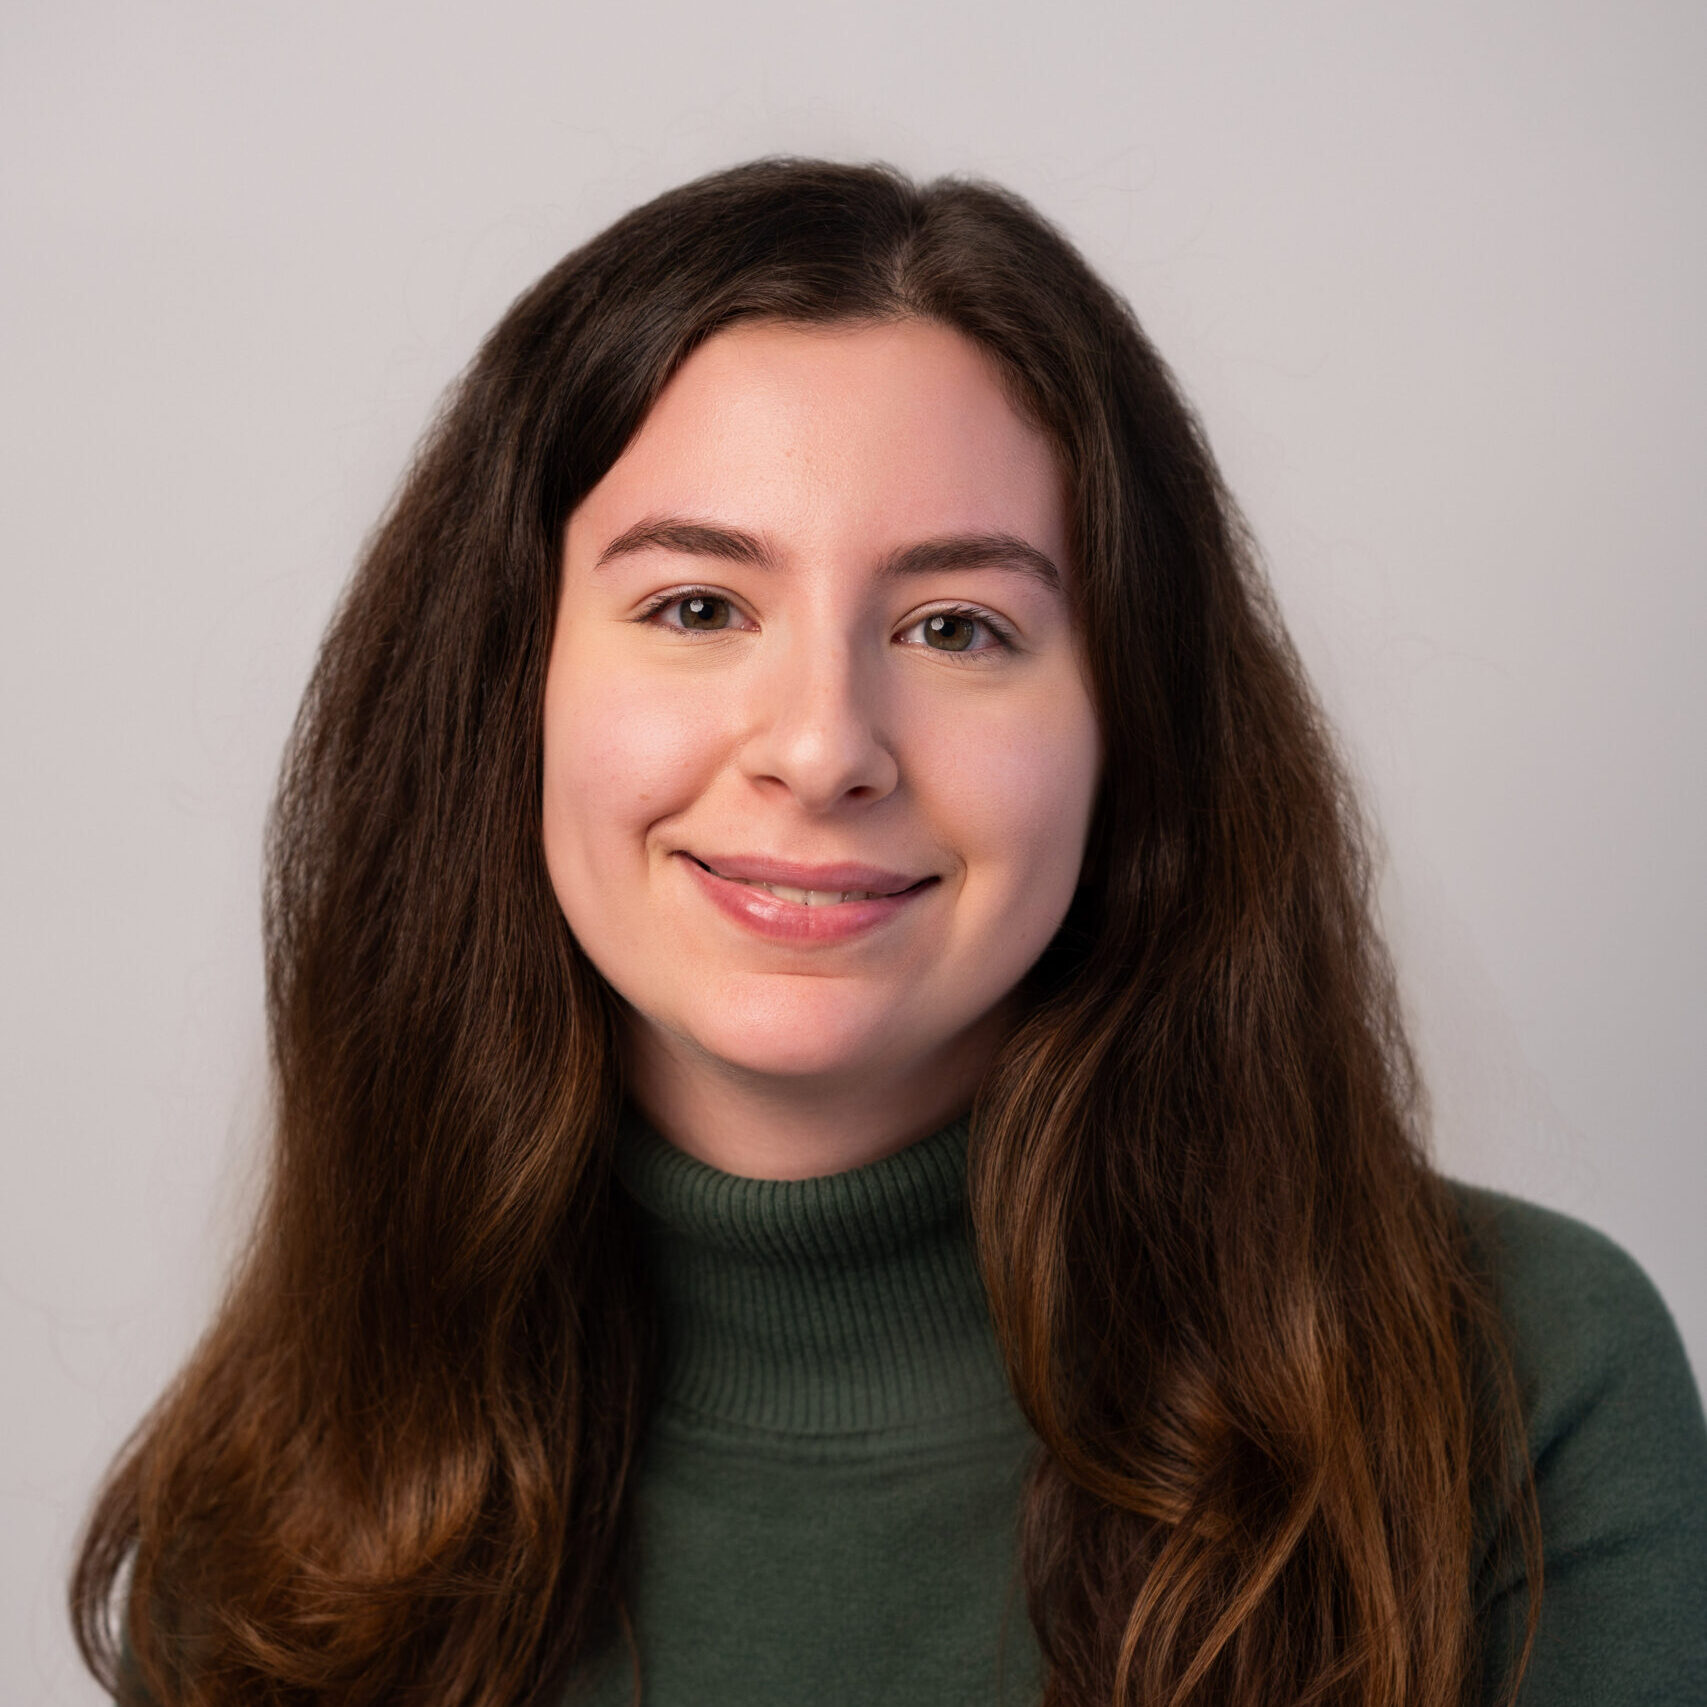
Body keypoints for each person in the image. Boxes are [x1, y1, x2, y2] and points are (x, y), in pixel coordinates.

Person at [72, 158, 1707, 1707]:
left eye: (956, 626)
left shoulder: (1517, 1394)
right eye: (698, 607)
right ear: (511, 693)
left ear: (1130, 727)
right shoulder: (277, 1494)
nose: (823, 744)